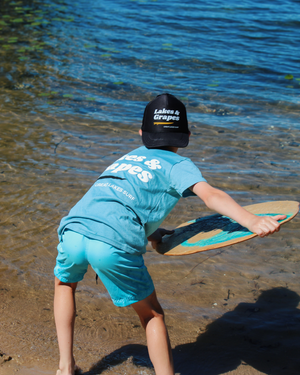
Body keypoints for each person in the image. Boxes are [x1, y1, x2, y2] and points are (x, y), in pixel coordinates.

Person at [54, 93, 285, 375]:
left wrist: (151, 234)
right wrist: (251, 220)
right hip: (112, 244)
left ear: (141, 133)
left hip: (74, 229)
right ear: (186, 135)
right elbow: (211, 196)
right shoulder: (179, 165)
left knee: (65, 285)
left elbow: (117, 203)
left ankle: (65, 368)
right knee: (152, 314)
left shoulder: (127, 157)